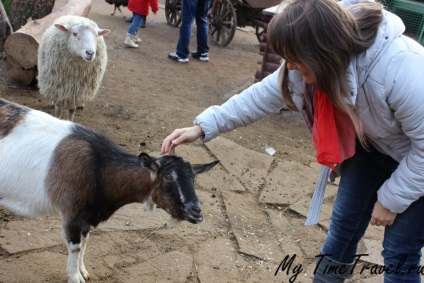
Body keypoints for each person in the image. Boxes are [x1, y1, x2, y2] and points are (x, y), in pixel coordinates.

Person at [162, 0, 424, 282]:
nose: (291, 67)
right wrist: (203, 127)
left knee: (399, 251)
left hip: (418, 160)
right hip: (373, 148)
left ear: (322, 49)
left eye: (295, 58)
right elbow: (261, 96)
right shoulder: (304, 67)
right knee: (343, 228)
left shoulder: (401, 67)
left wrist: (391, 199)